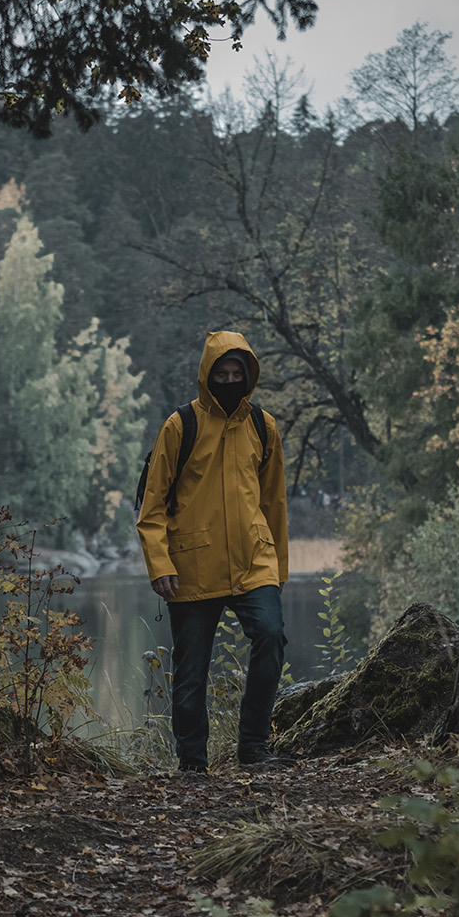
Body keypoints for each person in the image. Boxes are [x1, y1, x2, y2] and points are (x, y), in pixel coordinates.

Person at [136, 331, 293, 773]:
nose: (228, 380)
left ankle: (253, 746)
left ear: (248, 376)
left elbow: (273, 501)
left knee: (271, 636)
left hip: (254, 561)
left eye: (236, 373)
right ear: (207, 376)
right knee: (191, 673)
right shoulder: (180, 425)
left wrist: (278, 567)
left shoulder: (263, 426)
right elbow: (152, 507)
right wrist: (159, 563)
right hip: (192, 565)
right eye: (220, 373)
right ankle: (192, 763)